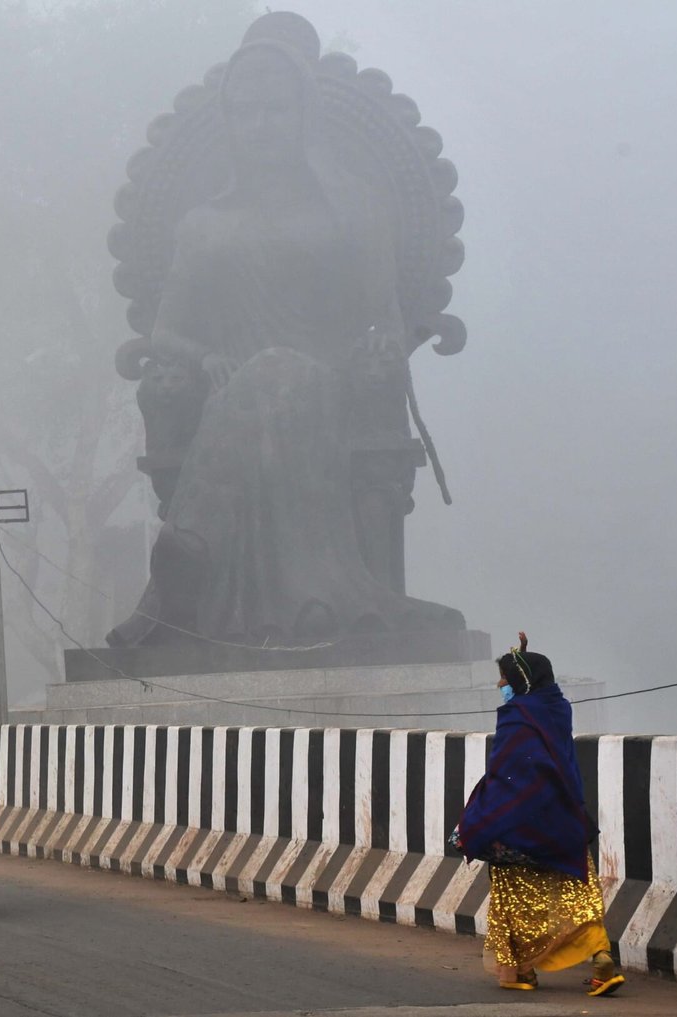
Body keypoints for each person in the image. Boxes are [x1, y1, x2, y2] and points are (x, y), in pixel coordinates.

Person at [108, 27, 463, 647]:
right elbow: (166, 332)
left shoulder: (353, 210)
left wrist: (376, 351)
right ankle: (276, 598)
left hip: (335, 388)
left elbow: (386, 317)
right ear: (229, 124)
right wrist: (209, 355)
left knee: (279, 371)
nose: (262, 125)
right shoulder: (204, 225)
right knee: (267, 374)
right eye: (246, 113)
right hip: (231, 397)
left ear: (304, 116)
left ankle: (191, 556)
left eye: (276, 110)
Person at [453, 633, 624, 997]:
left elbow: (507, 774)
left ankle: (520, 971)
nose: (500, 684)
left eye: (504, 677)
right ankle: (601, 957)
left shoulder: (517, 716)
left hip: (520, 822)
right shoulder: (557, 707)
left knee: (511, 895)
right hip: (563, 818)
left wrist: (480, 817)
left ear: (520, 681)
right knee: (578, 890)